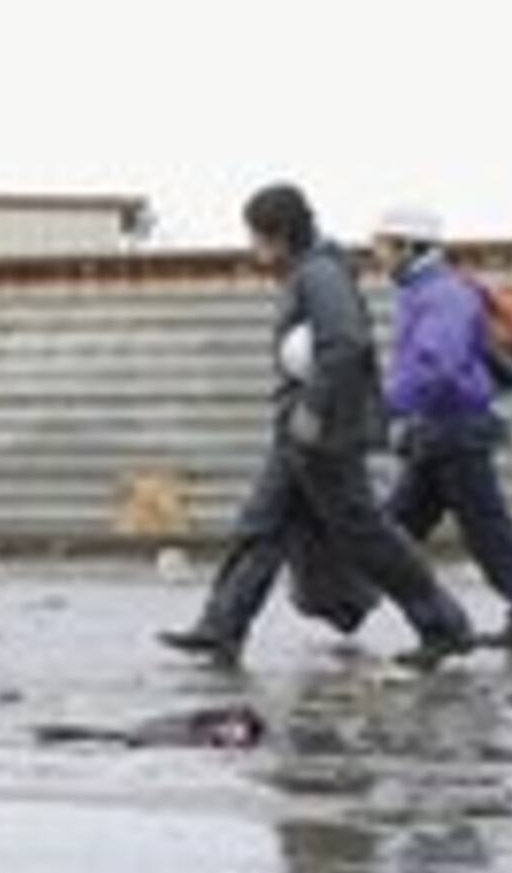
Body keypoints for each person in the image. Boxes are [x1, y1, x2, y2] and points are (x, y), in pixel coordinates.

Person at [161, 182, 478, 670]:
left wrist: (313, 410)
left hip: (323, 434)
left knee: (367, 534)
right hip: (300, 431)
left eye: (257, 239)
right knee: (260, 528)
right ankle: (221, 628)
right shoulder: (309, 273)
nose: (254, 250)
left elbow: (346, 344)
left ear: (280, 236)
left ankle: (444, 625)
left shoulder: (320, 275)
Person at [370, 204, 512, 651]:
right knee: (395, 527)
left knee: (486, 535)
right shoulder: (426, 291)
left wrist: (384, 409)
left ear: (410, 246)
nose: (378, 255)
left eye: (383, 246)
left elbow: (438, 366)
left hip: (456, 431)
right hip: (438, 432)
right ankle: (350, 605)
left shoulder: (442, 295)